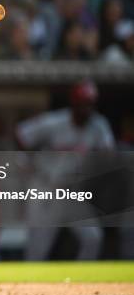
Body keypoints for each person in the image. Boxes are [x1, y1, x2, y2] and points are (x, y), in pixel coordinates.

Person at [16, 80, 115, 260]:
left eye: (89, 104)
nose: (86, 109)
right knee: (37, 250)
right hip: (46, 189)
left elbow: (108, 154)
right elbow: (21, 134)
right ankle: (25, 287)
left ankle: (82, 284)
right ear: (73, 103)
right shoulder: (54, 122)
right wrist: (31, 161)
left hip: (72, 192)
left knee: (92, 238)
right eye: (82, 103)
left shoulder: (98, 126)